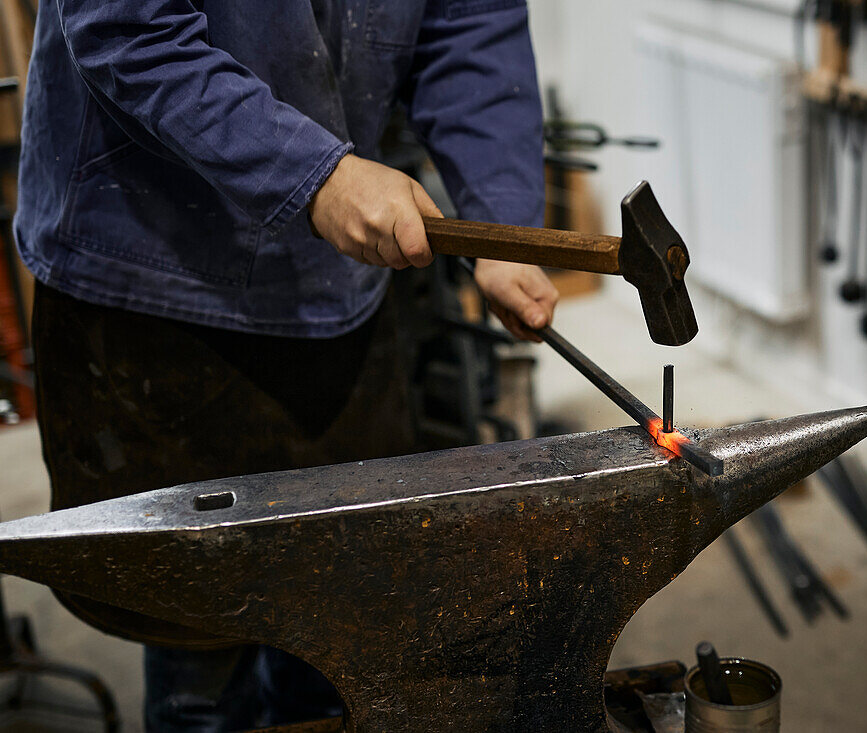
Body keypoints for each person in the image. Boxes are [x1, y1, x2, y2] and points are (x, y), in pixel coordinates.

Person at [15, 0, 558, 729]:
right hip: (154, 277)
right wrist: (318, 177)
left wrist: (501, 218)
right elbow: (128, 30)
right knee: (201, 655)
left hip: (335, 285)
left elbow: (469, 20)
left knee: (341, 636)